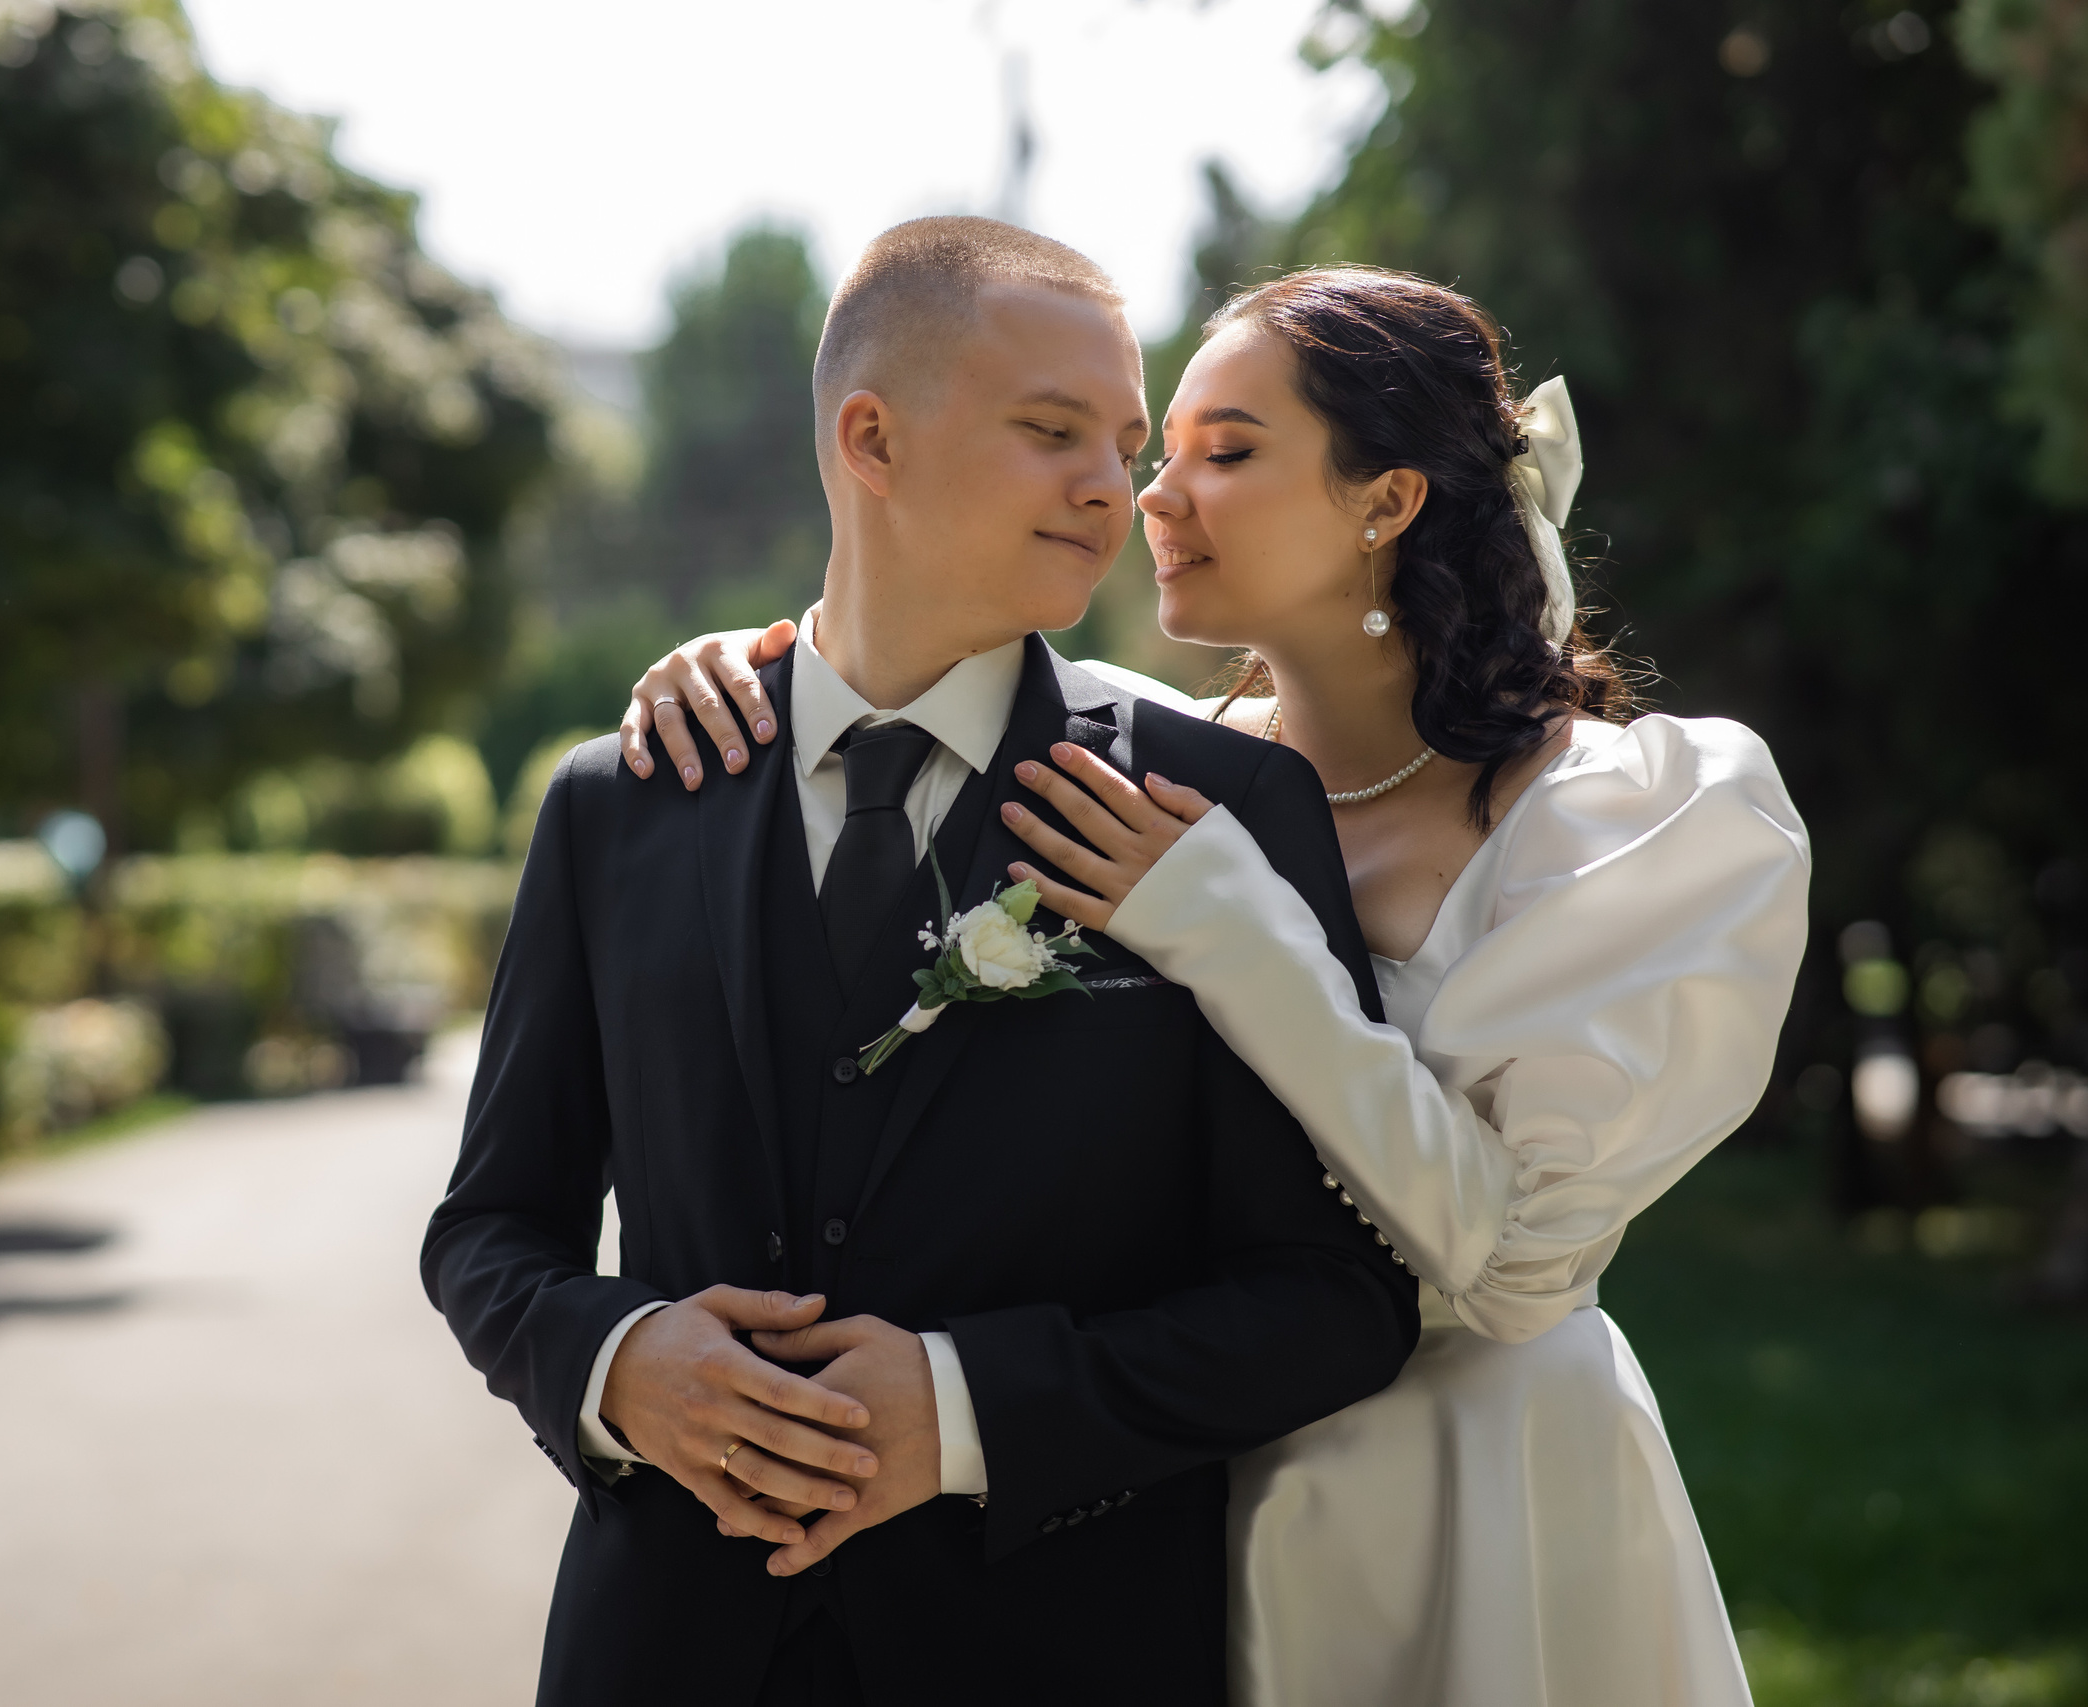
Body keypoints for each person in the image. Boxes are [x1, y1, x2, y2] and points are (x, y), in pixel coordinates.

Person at [620, 265, 1811, 1706]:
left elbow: (1510, 1272)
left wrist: (1235, 932)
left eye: (1226, 453)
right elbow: (888, 688)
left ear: (1387, 501)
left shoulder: (1628, 815)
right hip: (1171, 1481)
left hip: (1478, 1489)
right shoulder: (1149, 770)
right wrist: (743, 676)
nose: (1151, 499)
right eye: (1155, 453)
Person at [422, 219, 1418, 1707]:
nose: (1116, 485)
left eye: (1126, 439)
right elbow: (491, 1229)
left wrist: (965, 1409)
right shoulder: (620, 803)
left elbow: (1333, 1299)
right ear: (871, 439)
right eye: (1051, 429)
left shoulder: (1215, 810)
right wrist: (617, 1364)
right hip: (668, 1655)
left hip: (1059, 1654)